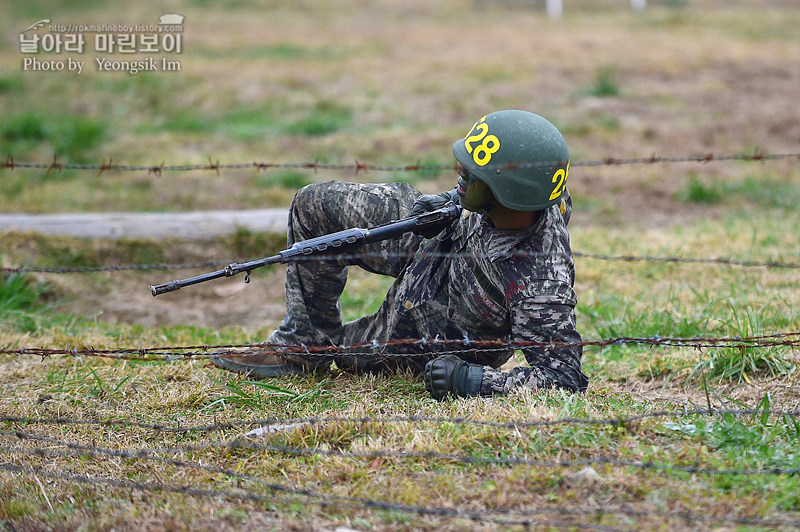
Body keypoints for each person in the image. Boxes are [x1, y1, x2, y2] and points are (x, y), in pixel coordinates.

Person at [211, 110, 588, 399]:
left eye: (472, 174)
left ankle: (309, 353)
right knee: (314, 204)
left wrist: (472, 380)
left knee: (344, 354)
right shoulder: (538, 194)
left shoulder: (540, 280)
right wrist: (451, 201)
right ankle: (301, 340)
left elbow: (563, 378)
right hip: (442, 235)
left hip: (436, 323)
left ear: (509, 194)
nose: (459, 169)